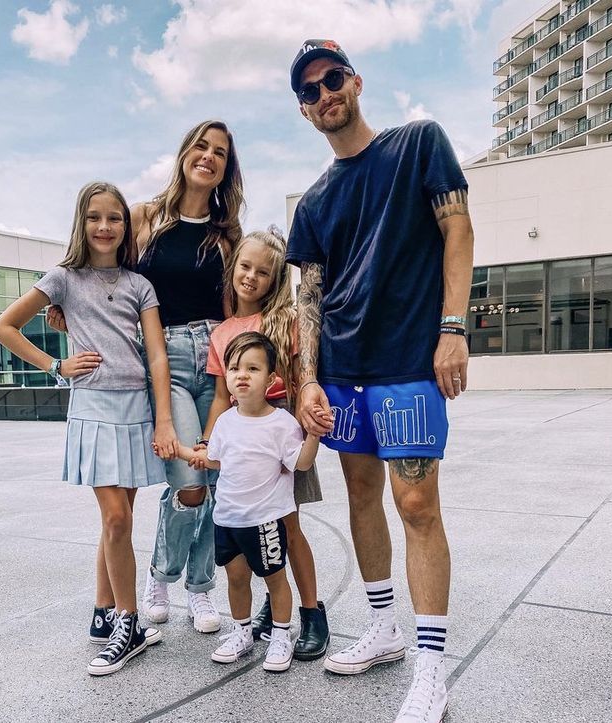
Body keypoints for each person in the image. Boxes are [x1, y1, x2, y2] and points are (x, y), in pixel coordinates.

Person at [286, 40, 474, 722]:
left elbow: (457, 231)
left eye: (331, 79)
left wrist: (452, 329)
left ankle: (430, 667)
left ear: (355, 81)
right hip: (341, 372)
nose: (323, 94)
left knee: (417, 503)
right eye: (308, 91)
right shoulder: (311, 204)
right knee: (360, 494)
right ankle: (383, 626)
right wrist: (307, 380)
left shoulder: (417, 144)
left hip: (406, 363)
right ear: (303, 111)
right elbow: (309, 296)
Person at [48, 120, 245, 634]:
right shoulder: (145, 217)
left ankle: (201, 591)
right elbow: (102, 271)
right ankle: (159, 578)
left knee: (213, 475)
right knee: (187, 483)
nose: (208, 156)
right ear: (184, 153)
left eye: (220, 152)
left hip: (215, 353)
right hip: (166, 356)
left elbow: (235, 306)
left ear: (227, 167)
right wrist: (64, 307)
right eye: (201, 146)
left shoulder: (227, 234)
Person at [0, 181, 176, 676]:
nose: (104, 227)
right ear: (82, 222)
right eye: (95, 217)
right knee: (116, 519)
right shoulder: (63, 279)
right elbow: (3, 326)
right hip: (92, 409)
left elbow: (157, 355)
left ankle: (103, 611)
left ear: (126, 224)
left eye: (114, 218)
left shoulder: (140, 285)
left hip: (136, 409)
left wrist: (163, 418)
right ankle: (130, 623)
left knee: (119, 520)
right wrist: (56, 365)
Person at [199, 227, 329, 659]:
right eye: (246, 266)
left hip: (282, 432)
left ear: (275, 281)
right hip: (242, 445)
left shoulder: (287, 320)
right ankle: (269, 615)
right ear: (233, 267)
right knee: (249, 534)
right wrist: (208, 443)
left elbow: (300, 374)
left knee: (289, 530)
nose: (252, 276)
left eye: (264, 272)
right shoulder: (222, 334)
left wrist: (305, 424)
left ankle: (311, 613)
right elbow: (221, 397)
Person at [176, 332, 320, 672]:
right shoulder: (225, 422)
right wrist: (181, 451)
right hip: (227, 519)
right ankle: (241, 631)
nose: (242, 375)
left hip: (265, 520)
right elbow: (213, 459)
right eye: (235, 367)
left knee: (274, 578)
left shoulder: (282, 423)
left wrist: (314, 434)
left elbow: (300, 463)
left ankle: (281, 635)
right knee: (236, 579)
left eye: (253, 368)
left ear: (271, 379)